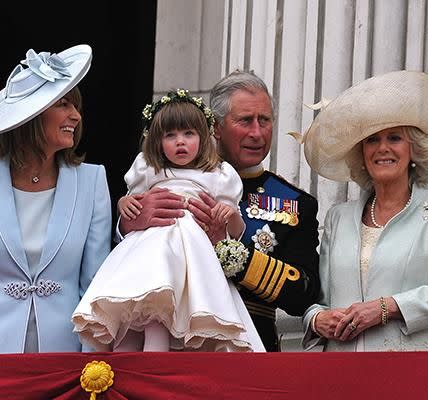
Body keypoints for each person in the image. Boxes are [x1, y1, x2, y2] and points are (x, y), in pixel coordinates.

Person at [119, 71, 321, 352]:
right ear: (214, 127)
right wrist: (129, 224)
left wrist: (229, 255)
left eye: (264, 120)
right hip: (167, 342)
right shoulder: (162, 177)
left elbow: (305, 293)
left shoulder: (295, 203)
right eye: (245, 120)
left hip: (245, 347)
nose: (257, 132)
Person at [0, 45, 111, 354]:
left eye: (76, 106)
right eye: (63, 104)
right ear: (32, 114)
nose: (76, 115)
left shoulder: (92, 181)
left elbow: (94, 288)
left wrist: (91, 365)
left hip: (64, 356)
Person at [73, 89, 264, 352]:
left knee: (187, 304)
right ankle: (135, 357)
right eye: (170, 135)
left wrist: (227, 215)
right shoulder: (149, 168)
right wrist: (124, 203)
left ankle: (158, 356)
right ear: (156, 141)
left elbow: (236, 231)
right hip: (152, 245)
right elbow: (133, 202)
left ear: (204, 136)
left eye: (189, 134)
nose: (180, 142)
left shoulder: (219, 174)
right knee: (147, 298)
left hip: (194, 255)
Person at [299, 70, 428, 351]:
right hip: (343, 374)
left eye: (394, 138)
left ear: (413, 150)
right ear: (361, 152)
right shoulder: (338, 217)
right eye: (372, 139)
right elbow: (319, 300)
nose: (382, 148)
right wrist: (317, 319)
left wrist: (387, 307)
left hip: (413, 373)